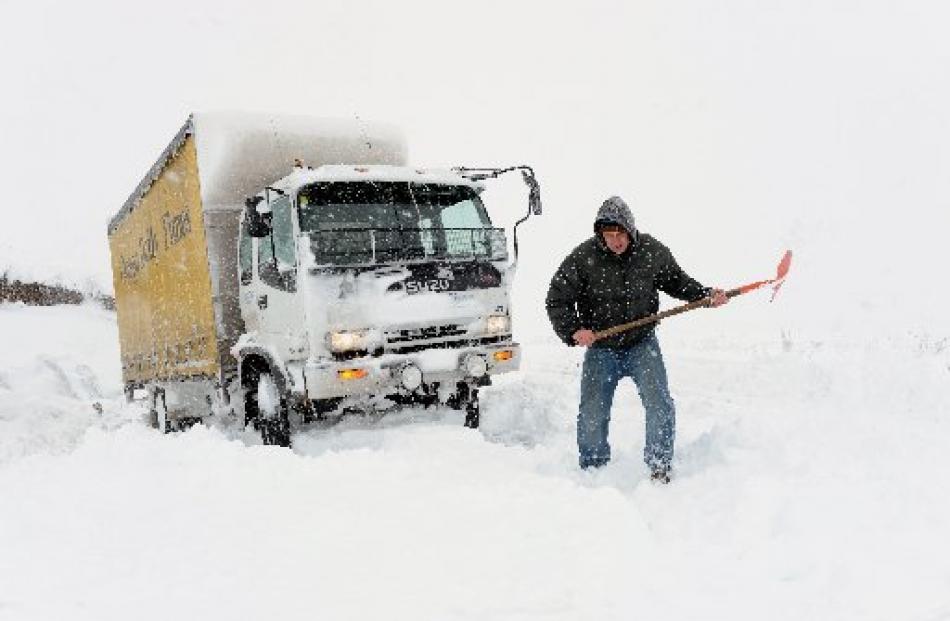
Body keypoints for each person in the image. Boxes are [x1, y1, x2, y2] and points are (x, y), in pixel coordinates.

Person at [545, 196, 728, 483]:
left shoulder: (651, 252)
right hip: (602, 347)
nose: (615, 241)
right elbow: (557, 299)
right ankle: (593, 470)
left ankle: (659, 466)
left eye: (620, 234)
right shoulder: (584, 258)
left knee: (659, 403)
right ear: (600, 235)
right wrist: (573, 330)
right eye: (608, 236)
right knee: (592, 410)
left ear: (630, 230)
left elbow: (677, 281)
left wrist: (705, 295)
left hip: (642, 344)